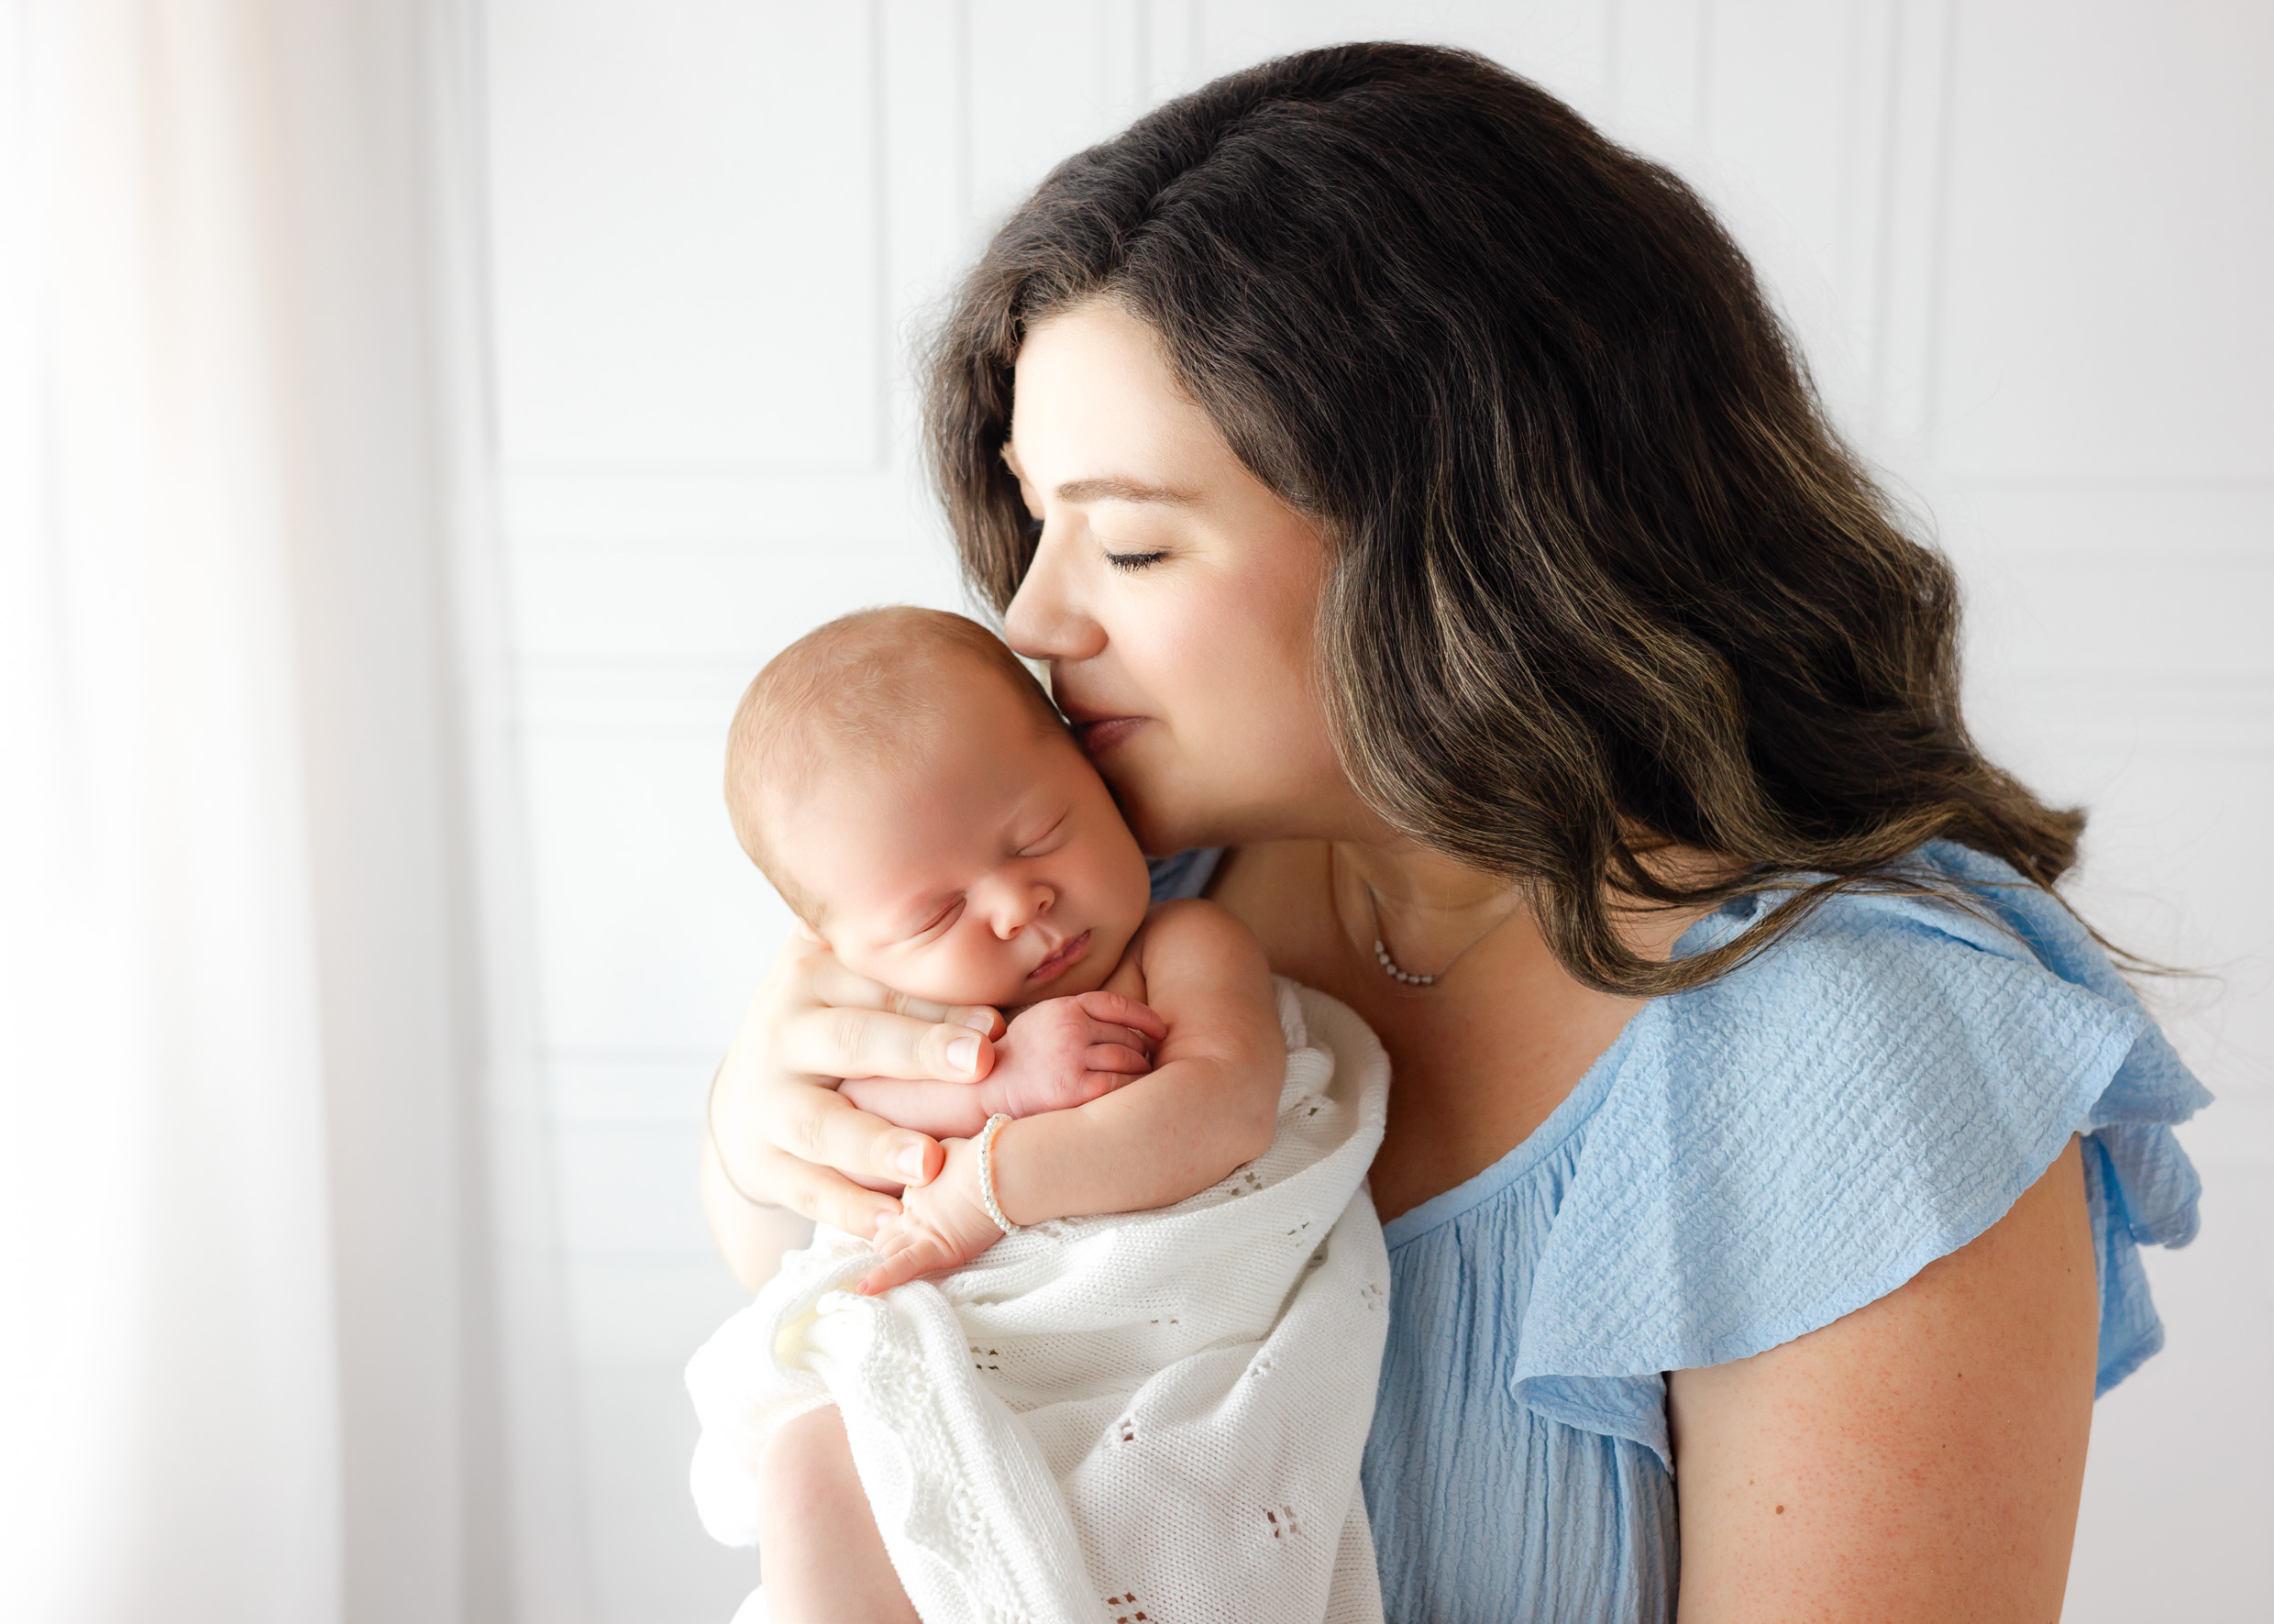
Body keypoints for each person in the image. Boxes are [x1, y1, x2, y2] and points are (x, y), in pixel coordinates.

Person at [701, 42, 2209, 1623]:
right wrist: (771, 1115)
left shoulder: (1851, 1058)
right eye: (1034, 512)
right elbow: (840, 1308)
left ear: (1461, 541)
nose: (1029, 613)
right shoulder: (1101, 895)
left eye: (1133, 543)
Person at [689, 606, 1391, 1623]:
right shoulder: (886, 1022)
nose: (1017, 906)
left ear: (1089, 774)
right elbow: (857, 1157)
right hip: (969, 1348)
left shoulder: (1180, 946)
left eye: (1038, 836)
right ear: (836, 945)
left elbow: (1224, 1110)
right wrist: (991, 1081)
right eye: (936, 914)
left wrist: (991, 1181)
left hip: (1139, 1369)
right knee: (810, 1459)